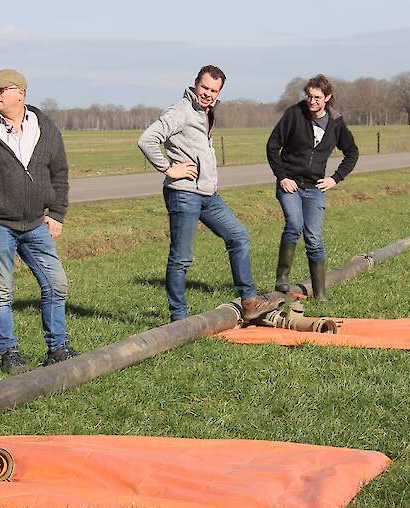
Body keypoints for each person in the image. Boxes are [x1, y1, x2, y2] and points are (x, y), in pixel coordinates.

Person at [0, 68, 77, 373]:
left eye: (1, 89)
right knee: (1, 291)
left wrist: (57, 213)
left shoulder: (45, 127)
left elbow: (59, 173)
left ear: (20, 93)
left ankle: (57, 347)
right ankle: (10, 352)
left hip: (36, 224)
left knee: (56, 284)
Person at [138, 65, 276, 322]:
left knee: (239, 237)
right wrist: (169, 169)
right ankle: (179, 320)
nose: (208, 94)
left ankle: (249, 301)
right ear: (195, 84)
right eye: (204, 88)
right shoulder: (181, 111)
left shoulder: (205, 112)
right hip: (184, 194)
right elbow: (147, 139)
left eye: (214, 90)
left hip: (208, 195)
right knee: (182, 259)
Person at [266, 74, 359, 300]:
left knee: (314, 239)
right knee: (294, 224)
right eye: (308, 96)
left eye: (317, 97)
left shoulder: (336, 122)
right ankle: (282, 279)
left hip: (315, 188)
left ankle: (320, 294)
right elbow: (272, 146)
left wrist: (335, 178)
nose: (312, 101)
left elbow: (352, 152)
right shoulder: (294, 115)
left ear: (327, 98)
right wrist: (282, 177)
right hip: (290, 184)